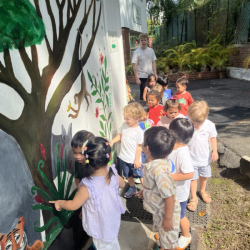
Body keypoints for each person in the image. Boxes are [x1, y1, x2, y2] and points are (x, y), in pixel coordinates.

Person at [50, 137, 126, 250]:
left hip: (101, 225)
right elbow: (123, 184)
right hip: (112, 219)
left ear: (87, 161)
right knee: (110, 242)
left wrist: (60, 202)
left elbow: (73, 205)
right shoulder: (113, 172)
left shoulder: (88, 185)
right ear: (109, 157)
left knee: (105, 245)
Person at [138, 126, 180, 250]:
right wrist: (146, 193)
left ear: (146, 148)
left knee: (169, 241)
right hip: (159, 211)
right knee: (163, 235)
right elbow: (155, 186)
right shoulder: (155, 163)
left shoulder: (159, 171)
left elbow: (169, 196)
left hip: (167, 213)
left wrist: (167, 219)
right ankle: (163, 243)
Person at [187, 101, 218, 211]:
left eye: (198, 123)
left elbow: (213, 138)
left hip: (204, 157)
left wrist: (215, 151)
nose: (195, 125)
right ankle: (193, 197)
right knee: (192, 178)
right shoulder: (186, 123)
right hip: (190, 158)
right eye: (193, 121)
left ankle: (202, 190)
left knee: (203, 175)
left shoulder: (209, 124)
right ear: (189, 116)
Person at [168, 118, 194, 250]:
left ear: (172, 133)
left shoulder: (182, 153)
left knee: (180, 216)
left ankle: (186, 235)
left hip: (180, 194)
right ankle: (168, 232)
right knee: (170, 214)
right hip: (170, 192)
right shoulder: (172, 147)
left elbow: (189, 174)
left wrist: (170, 177)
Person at [110, 102, 144, 198]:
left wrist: (137, 160)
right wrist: (112, 141)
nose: (125, 120)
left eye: (128, 119)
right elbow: (120, 135)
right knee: (127, 175)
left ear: (136, 118)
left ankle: (146, 191)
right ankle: (132, 188)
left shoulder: (139, 132)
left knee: (141, 176)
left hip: (134, 159)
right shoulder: (124, 125)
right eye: (125, 118)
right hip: (124, 157)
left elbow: (139, 146)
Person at [132, 33, 157, 100]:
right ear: (139, 41)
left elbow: (153, 63)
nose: (143, 42)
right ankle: (143, 109)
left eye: (145, 40)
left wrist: (155, 74)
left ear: (147, 41)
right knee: (143, 95)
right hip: (142, 76)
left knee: (153, 94)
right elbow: (134, 66)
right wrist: (137, 78)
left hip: (151, 76)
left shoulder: (151, 51)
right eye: (142, 40)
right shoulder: (136, 52)